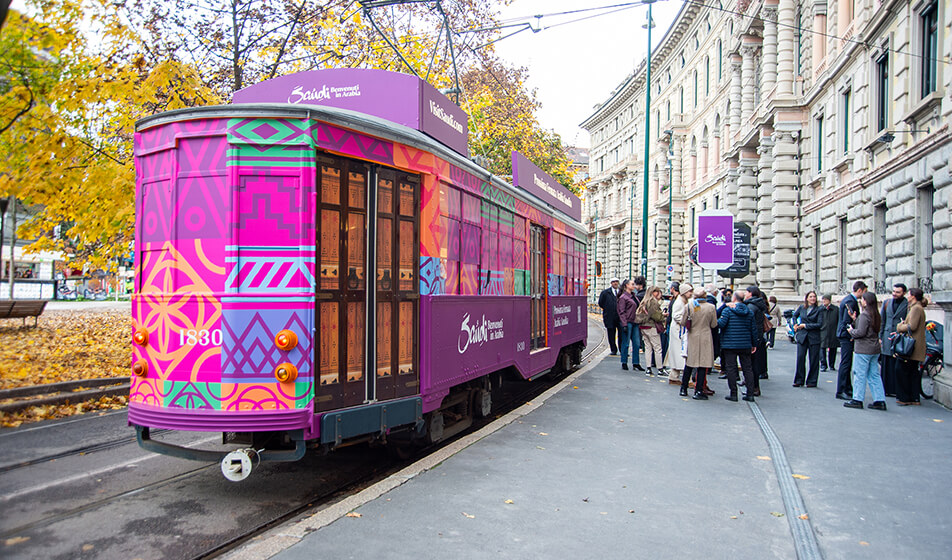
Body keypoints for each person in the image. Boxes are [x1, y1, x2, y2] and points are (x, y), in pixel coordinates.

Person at [844, 292, 887, 410]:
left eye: (862, 299)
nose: (861, 301)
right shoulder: (876, 315)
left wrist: (850, 331)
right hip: (874, 348)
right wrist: (855, 319)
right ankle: (880, 400)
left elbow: (861, 332)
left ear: (866, 301)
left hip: (863, 348)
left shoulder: (864, 315)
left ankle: (857, 399)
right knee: (874, 375)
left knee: (859, 374)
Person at [718, 291, 759, 402]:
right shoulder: (749, 312)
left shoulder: (728, 311)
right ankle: (750, 394)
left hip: (730, 343)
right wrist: (754, 344)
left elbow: (720, 324)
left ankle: (733, 394)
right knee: (747, 368)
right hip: (745, 344)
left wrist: (722, 308)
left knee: (731, 369)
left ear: (734, 299)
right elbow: (753, 329)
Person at [680, 286, 717, 400]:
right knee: (703, 365)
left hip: (693, 335)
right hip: (705, 336)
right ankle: (699, 390)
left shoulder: (689, 306)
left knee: (690, 363)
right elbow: (714, 324)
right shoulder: (711, 307)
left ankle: (683, 388)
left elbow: (683, 321)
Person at [894, 288, 928, 406]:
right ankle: (914, 397)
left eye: (909, 294)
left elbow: (912, 326)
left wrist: (899, 326)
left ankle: (905, 397)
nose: (907, 296)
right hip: (915, 345)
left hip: (911, 346)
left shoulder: (916, 309)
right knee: (912, 372)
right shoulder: (917, 308)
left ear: (913, 296)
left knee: (902, 370)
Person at [836, 281, 867, 400]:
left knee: (847, 362)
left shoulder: (849, 299)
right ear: (860, 290)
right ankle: (842, 390)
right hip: (846, 336)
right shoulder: (850, 301)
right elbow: (846, 321)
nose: (864, 294)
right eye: (864, 292)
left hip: (845, 335)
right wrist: (851, 333)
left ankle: (847, 388)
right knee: (846, 363)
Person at [879, 283, 908, 398]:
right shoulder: (886, 303)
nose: (895, 294)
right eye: (894, 292)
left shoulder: (907, 305)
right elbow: (882, 321)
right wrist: (880, 337)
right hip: (886, 336)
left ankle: (896, 389)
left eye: (898, 292)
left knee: (897, 363)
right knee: (886, 363)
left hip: (899, 337)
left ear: (903, 293)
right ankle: (885, 388)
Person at [792, 291, 823, 387]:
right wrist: (795, 324)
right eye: (811, 297)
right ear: (807, 298)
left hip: (814, 337)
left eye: (814, 297)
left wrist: (805, 325)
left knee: (813, 359)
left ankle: (812, 381)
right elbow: (794, 315)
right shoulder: (802, 307)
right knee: (800, 358)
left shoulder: (819, 309)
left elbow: (819, 324)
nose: (813, 298)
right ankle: (799, 380)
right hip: (802, 336)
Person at [665, 283, 692, 384]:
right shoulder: (679, 302)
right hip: (679, 330)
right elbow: (676, 316)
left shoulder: (682, 300)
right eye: (689, 291)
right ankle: (685, 379)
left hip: (679, 329)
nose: (691, 293)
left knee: (678, 354)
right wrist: (687, 322)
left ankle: (674, 376)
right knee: (681, 353)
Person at [744, 286, 769, 395]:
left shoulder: (751, 306)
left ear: (750, 293)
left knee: (750, 365)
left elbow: (749, 323)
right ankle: (754, 387)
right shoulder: (758, 304)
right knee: (753, 364)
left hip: (753, 338)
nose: (745, 294)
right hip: (758, 337)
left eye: (746, 292)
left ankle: (753, 388)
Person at [639, 286, 667, 377]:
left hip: (643, 327)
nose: (659, 294)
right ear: (654, 292)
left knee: (648, 348)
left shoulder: (644, 302)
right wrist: (663, 316)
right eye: (658, 292)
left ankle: (648, 368)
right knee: (657, 348)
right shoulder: (653, 302)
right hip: (652, 327)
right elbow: (657, 317)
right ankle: (660, 369)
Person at [616, 280, 637, 371]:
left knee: (637, 343)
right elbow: (621, 312)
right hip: (628, 322)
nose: (634, 286)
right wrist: (624, 324)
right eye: (632, 284)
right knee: (626, 343)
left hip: (635, 322)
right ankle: (624, 362)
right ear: (627, 285)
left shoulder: (634, 296)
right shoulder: (623, 297)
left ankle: (636, 362)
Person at [598, 278, 622, 355]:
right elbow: (601, 303)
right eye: (613, 282)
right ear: (611, 283)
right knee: (611, 333)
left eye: (616, 282)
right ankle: (613, 349)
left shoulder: (622, 292)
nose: (615, 283)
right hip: (609, 316)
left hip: (620, 317)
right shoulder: (605, 293)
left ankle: (622, 349)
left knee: (621, 334)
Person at [630, 276, 648, 372]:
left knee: (638, 337)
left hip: (639, 319)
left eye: (635, 284)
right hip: (642, 319)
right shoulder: (643, 294)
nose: (635, 286)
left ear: (640, 285)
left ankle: (640, 348)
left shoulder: (640, 296)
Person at [819, 295, 839, 372]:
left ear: (829, 300)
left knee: (833, 348)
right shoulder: (820, 309)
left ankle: (831, 364)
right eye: (823, 299)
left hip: (833, 332)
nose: (824, 301)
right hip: (822, 331)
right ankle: (823, 365)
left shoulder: (835, 309)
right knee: (822, 348)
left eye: (826, 300)